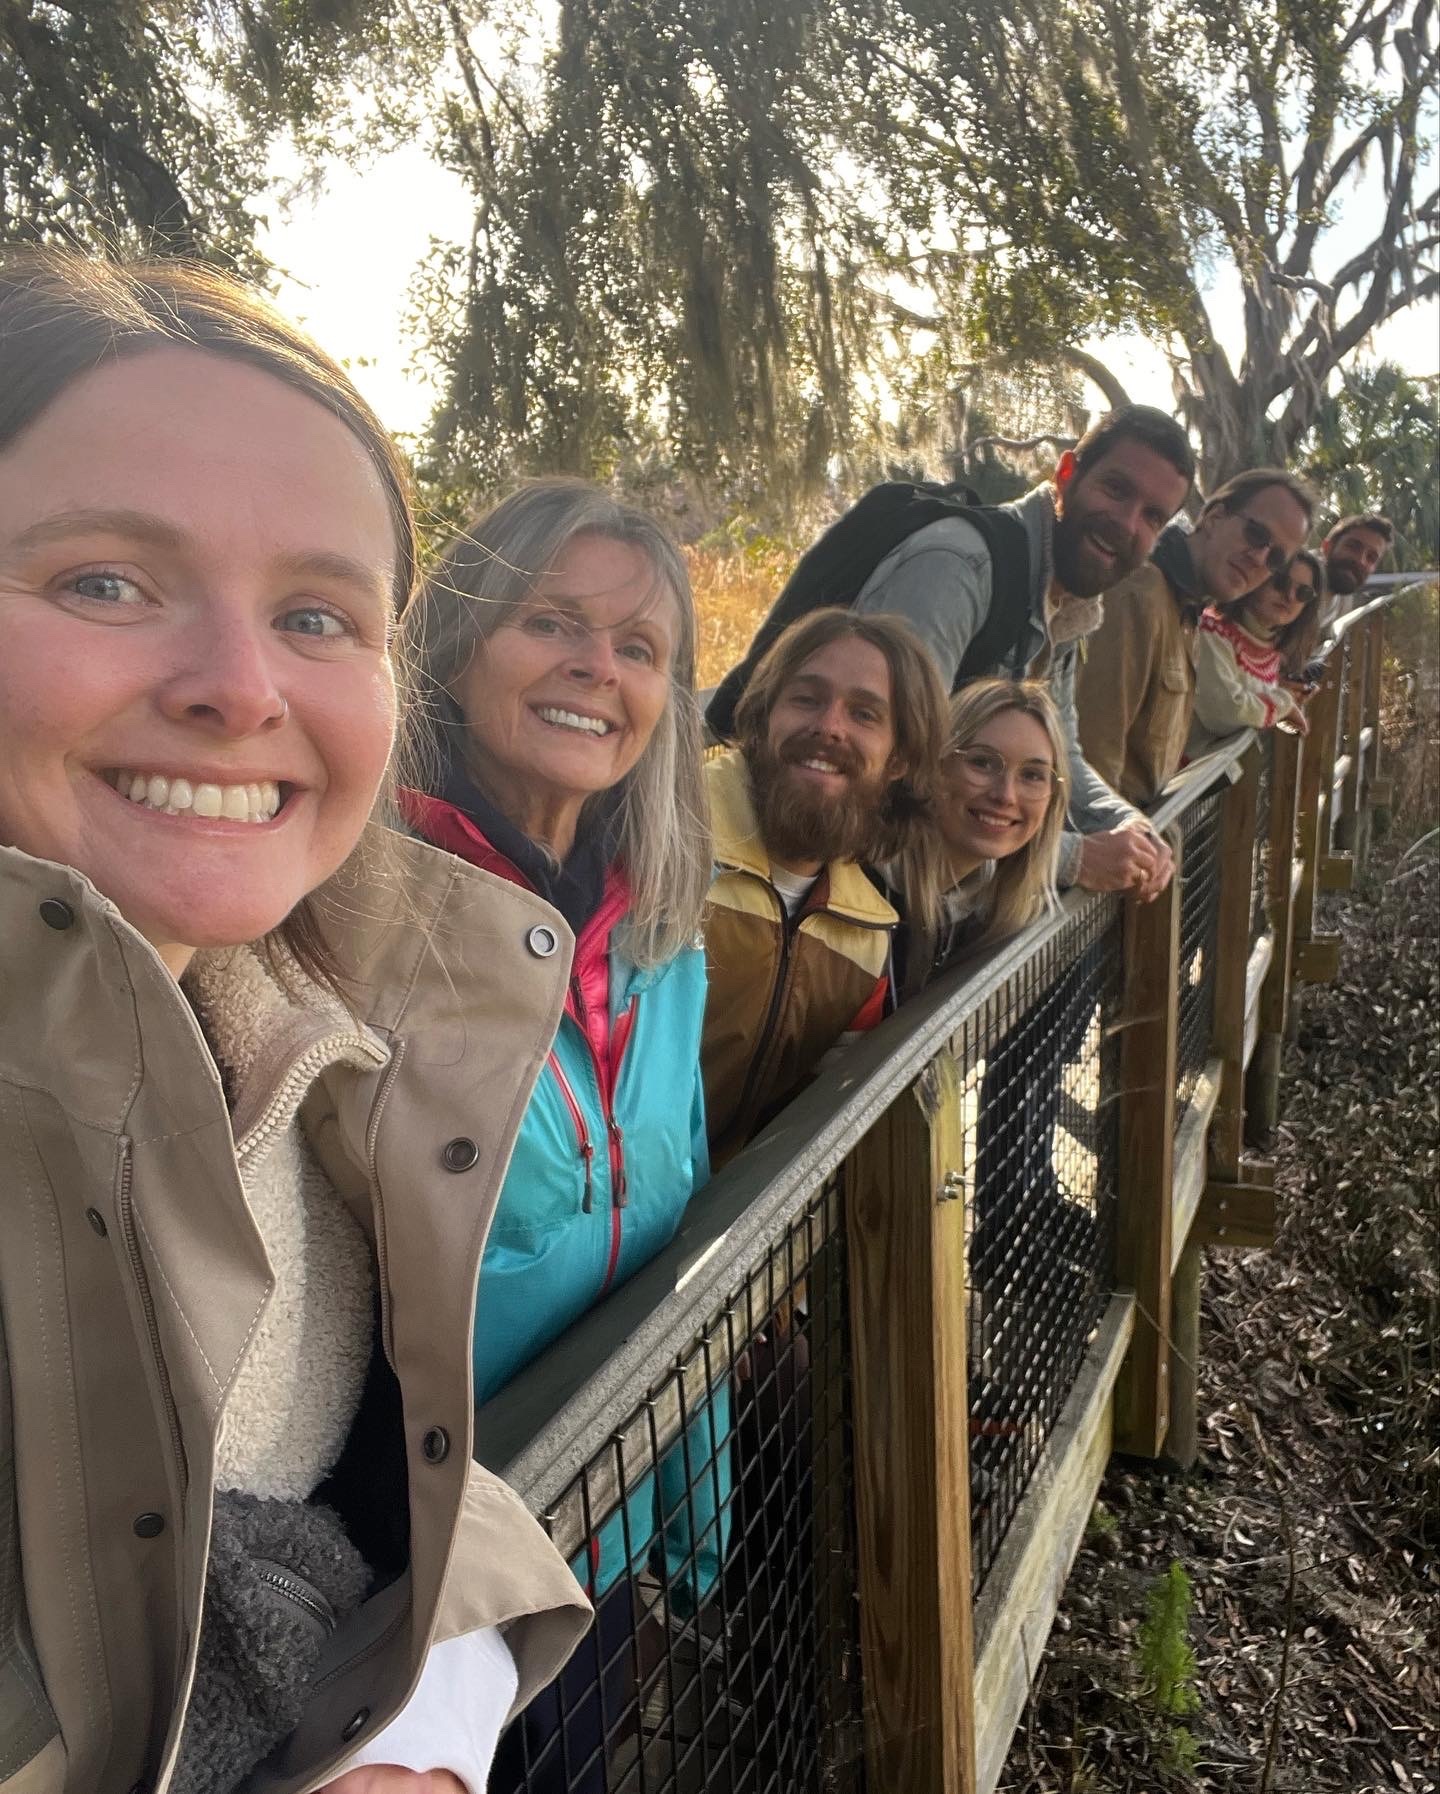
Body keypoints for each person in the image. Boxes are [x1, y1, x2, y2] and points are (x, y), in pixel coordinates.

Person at [0, 251, 588, 1794]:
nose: (239, 685)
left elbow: (395, 1490)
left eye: (320, 614)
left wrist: (436, 1714)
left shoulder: (328, 1036)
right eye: (104, 582)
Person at [402, 479, 720, 1794]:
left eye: (639, 648)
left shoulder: (664, 934)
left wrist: (684, 1498)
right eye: (552, 623)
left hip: (592, 1516)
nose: (598, 669)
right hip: (410, 1574)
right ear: (458, 641)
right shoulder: (351, 909)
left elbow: (673, 1207)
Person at [711, 405, 1196, 900]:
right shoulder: (957, 570)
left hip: (908, 894)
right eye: (1116, 490)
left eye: (1153, 517)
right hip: (804, 883)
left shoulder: (1067, 604)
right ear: (1067, 473)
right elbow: (891, 771)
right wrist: (1072, 858)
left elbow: (1064, 755)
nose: (1126, 522)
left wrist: (1133, 828)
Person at [702, 609, 949, 1164]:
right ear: (764, 717)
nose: (829, 727)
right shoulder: (661, 838)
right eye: (806, 699)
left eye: (864, 714)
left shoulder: (867, 936)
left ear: (900, 760)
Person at [1076, 468, 1316, 804]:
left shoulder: (1189, 614)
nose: (1259, 558)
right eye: (1256, 534)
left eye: (1276, 558)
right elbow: (1092, 759)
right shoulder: (1141, 595)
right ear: (1215, 517)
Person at [885, 679, 1069, 997]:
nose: (1006, 796)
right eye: (982, 762)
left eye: (1032, 775)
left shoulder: (999, 914)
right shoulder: (864, 887)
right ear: (935, 766)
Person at [1186, 549, 1326, 757]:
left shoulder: (1270, 645)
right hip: (1176, 779)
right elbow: (1225, 712)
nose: (1289, 596)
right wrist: (1284, 703)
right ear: (1257, 578)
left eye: (1303, 593)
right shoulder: (1211, 631)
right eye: (1280, 582)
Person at [1320, 511, 1393, 625]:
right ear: (1327, 547)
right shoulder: (1293, 584)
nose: (1360, 561)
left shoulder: (1344, 600)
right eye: (1352, 547)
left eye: (1371, 557)